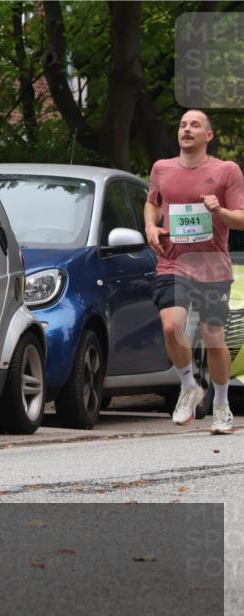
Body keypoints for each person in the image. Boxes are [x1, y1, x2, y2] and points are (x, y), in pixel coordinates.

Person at [144, 109, 244, 434]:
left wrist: (220, 210)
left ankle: (221, 404)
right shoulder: (162, 168)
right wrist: (150, 226)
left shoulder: (227, 171)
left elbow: (240, 219)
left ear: (208, 136)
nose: (187, 129)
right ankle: (189, 385)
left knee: (213, 336)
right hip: (173, 261)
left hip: (212, 266)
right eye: (183, 124)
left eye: (195, 125)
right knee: (172, 325)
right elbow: (153, 202)